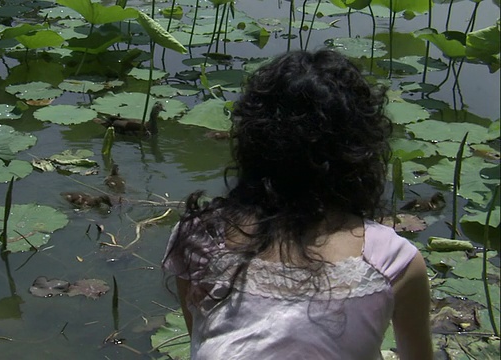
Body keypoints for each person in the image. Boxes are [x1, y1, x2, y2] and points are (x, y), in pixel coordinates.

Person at [162, 50, 432, 359]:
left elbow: (199, 336)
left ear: (252, 141)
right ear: (360, 151)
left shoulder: (200, 237)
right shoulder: (392, 261)